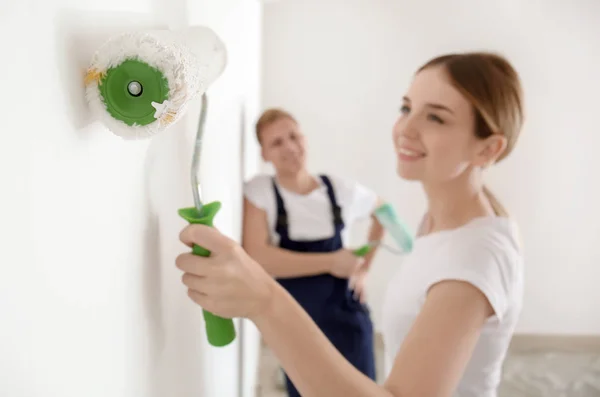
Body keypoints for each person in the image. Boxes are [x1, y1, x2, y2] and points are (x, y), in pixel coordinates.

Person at [176, 51, 525, 397]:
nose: (405, 128)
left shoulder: (473, 259)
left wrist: (267, 302)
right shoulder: (440, 222)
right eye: (406, 108)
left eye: (435, 117)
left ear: (487, 150)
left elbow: (383, 212)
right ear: (264, 154)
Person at [241, 108, 385, 395]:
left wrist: (364, 269)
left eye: (294, 136)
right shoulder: (260, 192)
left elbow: (384, 213)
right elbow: (258, 256)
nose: (290, 147)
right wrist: (333, 261)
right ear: (264, 155)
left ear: (305, 138)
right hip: (296, 322)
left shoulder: (338, 189)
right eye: (277, 143)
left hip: (346, 316)